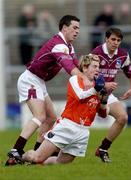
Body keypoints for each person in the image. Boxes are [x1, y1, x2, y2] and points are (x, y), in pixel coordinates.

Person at [5, 15, 85, 166]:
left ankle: (37, 154)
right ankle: (16, 150)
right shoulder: (59, 45)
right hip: (30, 79)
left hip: (38, 81)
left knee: (51, 118)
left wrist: (89, 65)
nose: (77, 31)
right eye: (74, 28)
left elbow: (77, 66)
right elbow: (70, 69)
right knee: (40, 116)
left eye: (78, 28)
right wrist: (87, 79)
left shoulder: (68, 46)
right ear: (64, 28)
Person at [21, 54, 109, 165]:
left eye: (98, 67)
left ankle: (33, 165)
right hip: (67, 126)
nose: (98, 69)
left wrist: (104, 100)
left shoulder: (98, 86)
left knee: (60, 163)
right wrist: (96, 90)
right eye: (94, 66)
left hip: (83, 131)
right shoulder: (75, 79)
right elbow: (80, 96)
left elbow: (103, 114)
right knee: (37, 157)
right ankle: (19, 158)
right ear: (85, 68)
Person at [91, 27, 131, 163]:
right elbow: (86, 76)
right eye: (113, 39)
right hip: (91, 92)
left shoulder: (122, 55)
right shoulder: (96, 53)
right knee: (76, 124)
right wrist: (103, 85)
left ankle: (103, 149)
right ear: (106, 39)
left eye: (118, 40)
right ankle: (53, 148)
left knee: (122, 117)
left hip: (107, 94)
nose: (115, 42)